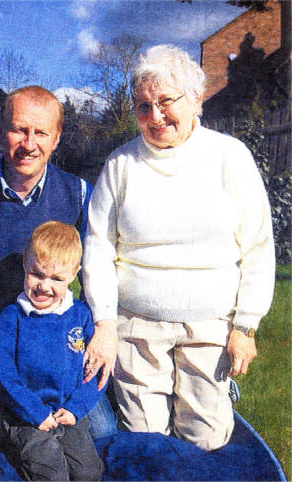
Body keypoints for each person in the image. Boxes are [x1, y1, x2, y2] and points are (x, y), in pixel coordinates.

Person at [82, 44, 275, 451]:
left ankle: (214, 398)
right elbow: (97, 246)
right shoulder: (120, 165)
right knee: (146, 443)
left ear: (195, 98)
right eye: (143, 107)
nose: (155, 117)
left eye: (166, 102)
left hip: (210, 326)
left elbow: (258, 245)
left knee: (205, 441)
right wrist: (105, 323)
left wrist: (245, 326)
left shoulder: (229, 157)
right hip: (137, 327)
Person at [0, 85, 117, 439]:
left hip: (57, 356)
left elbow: (100, 266)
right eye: (19, 129)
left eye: (41, 133)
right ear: (2, 129)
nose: (29, 143)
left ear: (57, 138)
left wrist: (106, 329)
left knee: (102, 434)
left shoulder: (78, 194)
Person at [0, 221, 105, 481]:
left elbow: (95, 371)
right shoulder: (10, 320)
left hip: (67, 412)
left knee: (88, 471)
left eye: (56, 279)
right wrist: (34, 412)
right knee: (51, 472)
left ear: (74, 275)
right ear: (25, 266)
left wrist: (76, 408)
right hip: (24, 415)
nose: (44, 286)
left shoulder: (80, 317)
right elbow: (3, 376)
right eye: (37, 274)